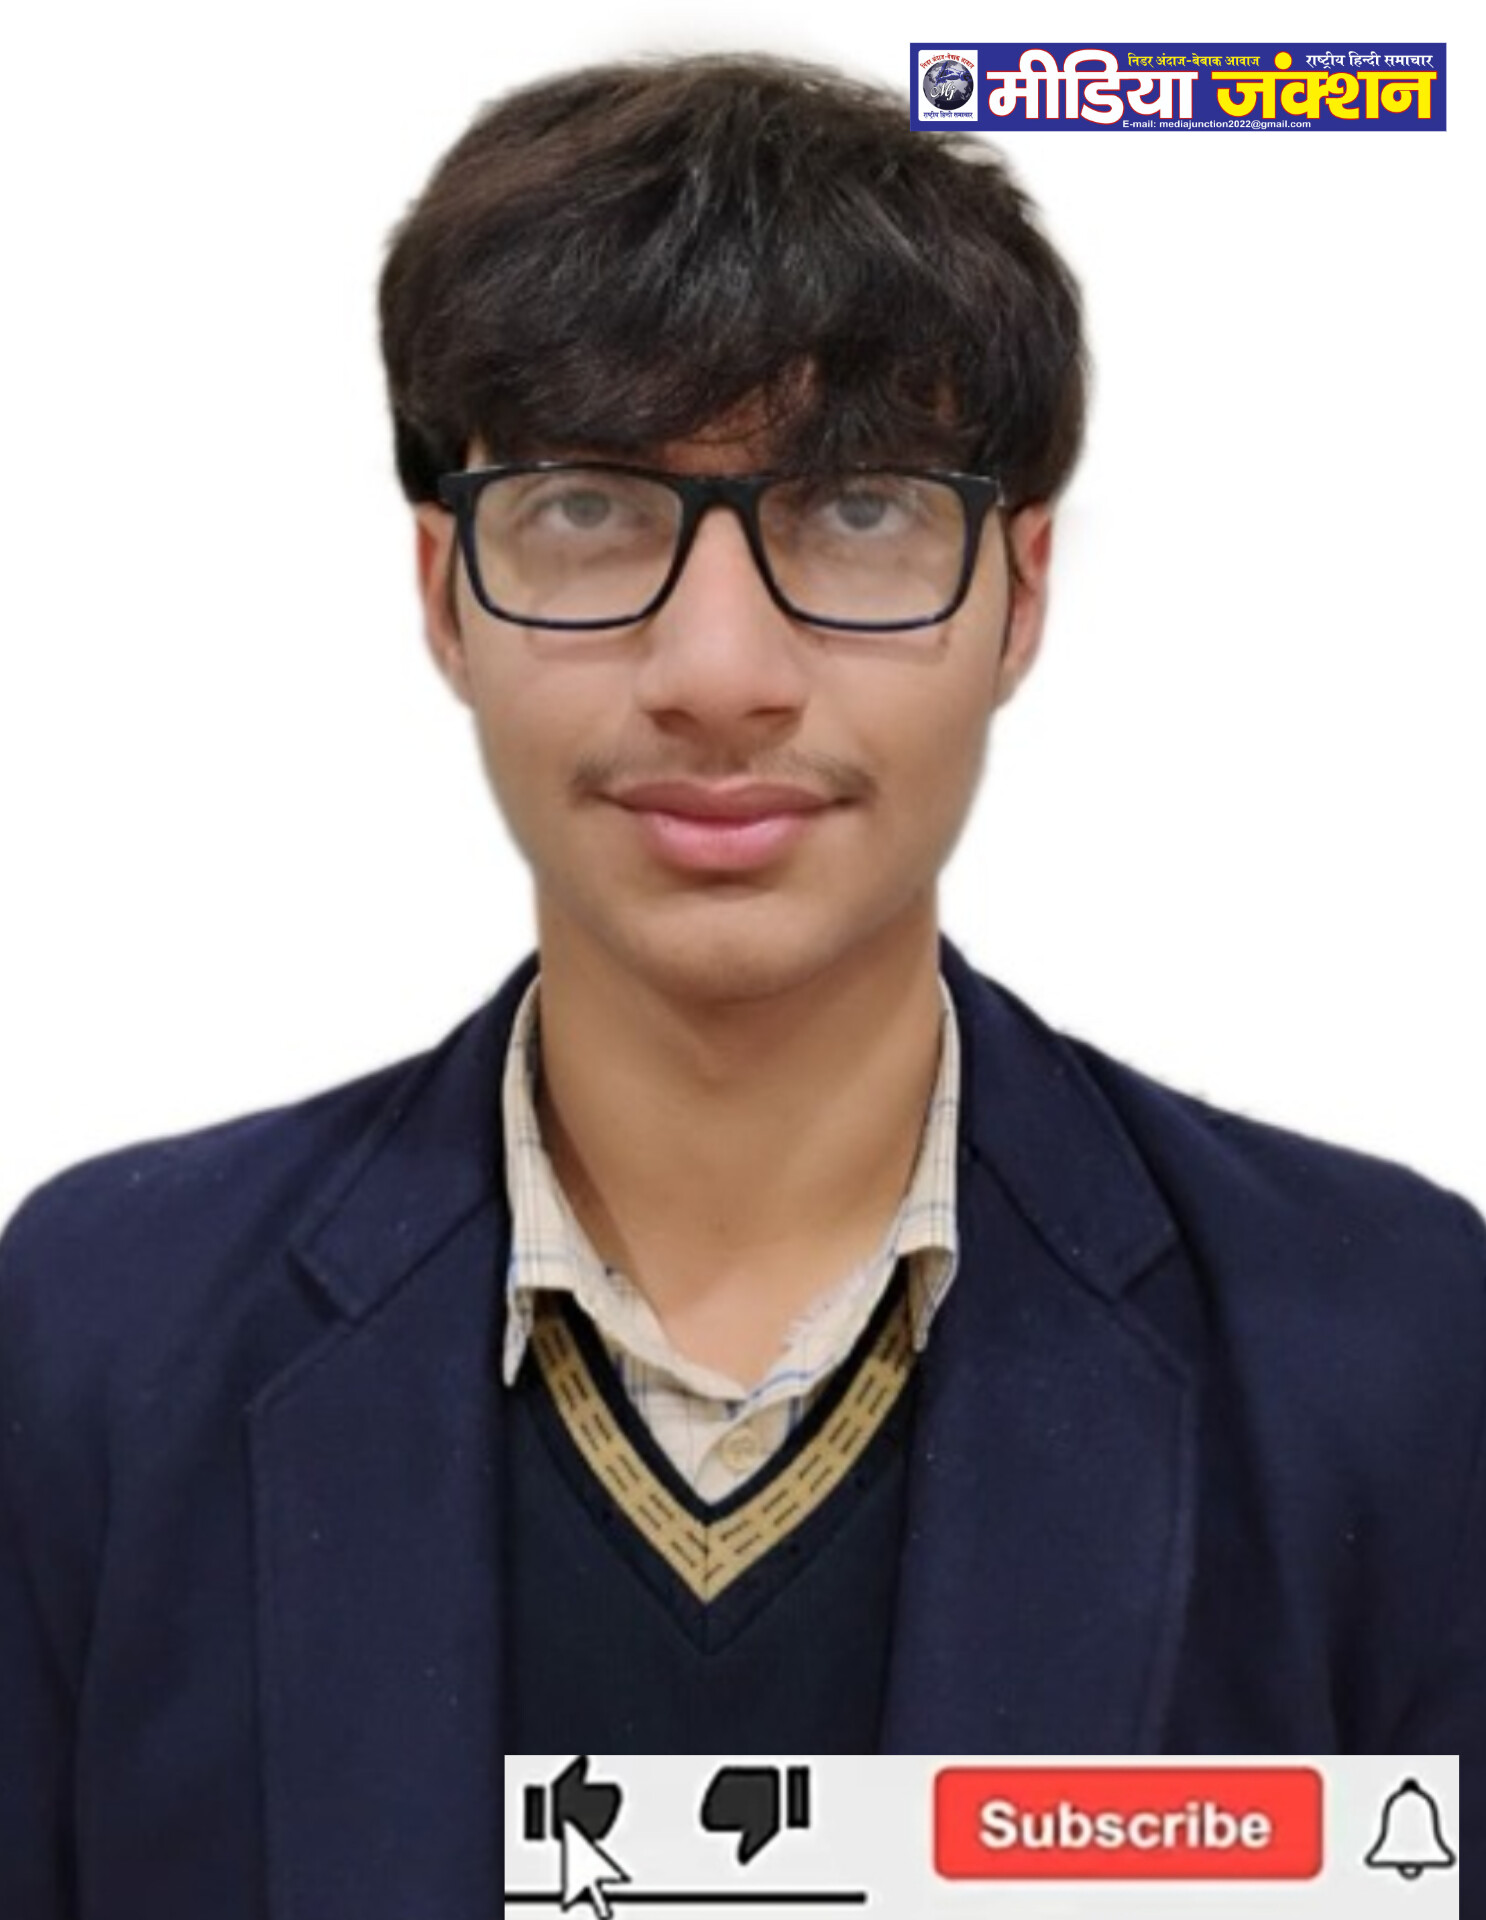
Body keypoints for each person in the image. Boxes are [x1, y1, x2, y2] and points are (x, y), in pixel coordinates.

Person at [1, 50, 1480, 1917]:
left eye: (856, 513)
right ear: (444, 590)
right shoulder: (101, 1340)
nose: (717, 673)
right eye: (588, 510)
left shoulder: (1385, 1348)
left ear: (1018, 593)